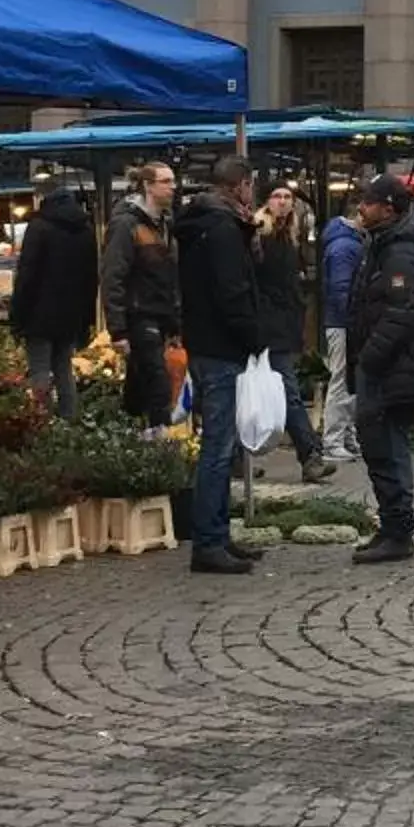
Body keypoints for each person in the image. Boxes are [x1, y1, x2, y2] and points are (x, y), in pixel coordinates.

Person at [345, 175, 414, 564]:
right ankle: (393, 527)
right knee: (385, 446)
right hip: (395, 365)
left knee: (385, 446)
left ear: (387, 208)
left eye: (368, 201)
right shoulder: (389, 242)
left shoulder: (401, 252)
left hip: (393, 367)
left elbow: (399, 313)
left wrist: (369, 359)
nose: (361, 207)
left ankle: (397, 530)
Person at [173, 156, 272, 575]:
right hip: (221, 346)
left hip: (206, 341)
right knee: (217, 447)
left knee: (220, 444)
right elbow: (232, 291)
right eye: (251, 186)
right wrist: (254, 337)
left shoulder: (201, 224)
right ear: (240, 186)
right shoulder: (222, 230)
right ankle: (209, 542)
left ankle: (217, 533)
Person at [255, 184, 339, 483]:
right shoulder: (260, 234)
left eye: (288, 197)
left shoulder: (288, 236)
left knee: (268, 393)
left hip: (279, 327)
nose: (283, 201)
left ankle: (237, 459)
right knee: (286, 393)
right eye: (277, 196)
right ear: (267, 201)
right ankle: (310, 456)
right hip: (267, 329)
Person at [101, 161, 182, 431]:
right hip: (139, 314)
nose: (173, 187)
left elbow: (169, 276)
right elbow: (113, 275)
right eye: (166, 182)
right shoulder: (127, 225)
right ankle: (160, 444)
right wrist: (118, 329)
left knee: (139, 385)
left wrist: (174, 321)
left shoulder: (164, 224)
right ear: (148, 185)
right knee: (158, 383)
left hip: (158, 314)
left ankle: (127, 438)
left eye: (173, 181)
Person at [7, 184, 99, 418]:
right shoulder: (86, 230)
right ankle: (69, 421)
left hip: (39, 315)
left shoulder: (39, 228)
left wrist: (17, 317)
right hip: (71, 316)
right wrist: (86, 320)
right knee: (63, 369)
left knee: (39, 371)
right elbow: (91, 278)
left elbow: (26, 275)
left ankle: (41, 422)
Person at [319, 199, 365, 462]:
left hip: (341, 321)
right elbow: (341, 290)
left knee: (347, 380)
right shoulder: (346, 247)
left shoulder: (344, 243)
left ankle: (345, 436)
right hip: (343, 322)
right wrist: (353, 319)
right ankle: (334, 440)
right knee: (342, 381)